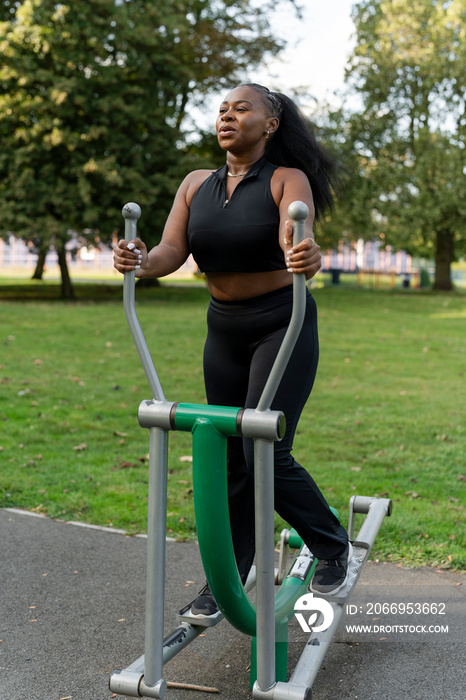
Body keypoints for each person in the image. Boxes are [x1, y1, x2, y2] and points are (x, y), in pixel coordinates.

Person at [113, 83, 351, 612]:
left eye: (243, 109)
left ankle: (333, 547)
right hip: (223, 326)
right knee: (226, 454)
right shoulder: (196, 184)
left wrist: (305, 253)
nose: (228, 116)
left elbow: (298, 236)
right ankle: (228, 576)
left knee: (261, 446)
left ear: (270, 124)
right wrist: (139, 258)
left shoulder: (287, 178)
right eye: (223, 109)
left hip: (279, 323)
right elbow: (171, 251)